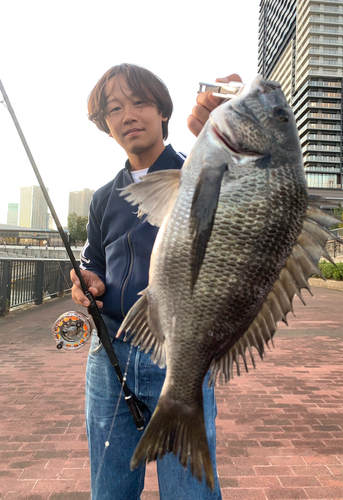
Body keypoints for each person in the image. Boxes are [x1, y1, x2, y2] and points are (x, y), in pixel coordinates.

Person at [71, 63, 240, 500]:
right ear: (105, 125)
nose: (128, 115)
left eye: (140, 102)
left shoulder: (197, 175)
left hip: (177, 353)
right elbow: (95, 262)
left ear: (163, 111)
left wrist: (230, 128)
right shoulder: (104, 197)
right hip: (109, 356)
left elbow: (240, 206)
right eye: (114, 109)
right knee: (109, 490)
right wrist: (87, 280)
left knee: (190, 491)